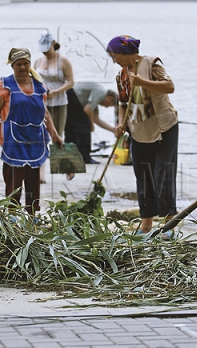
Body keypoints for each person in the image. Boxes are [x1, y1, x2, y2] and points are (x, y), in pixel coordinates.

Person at [109, 35, 179, 235]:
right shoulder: (121, 76)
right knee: (143, 178)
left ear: (125, 53)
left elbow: (169, 86)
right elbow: (123, 104)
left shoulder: (151, 63)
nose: (114, 60)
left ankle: (168, 226)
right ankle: (146, 225)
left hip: (163, 129)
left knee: (162, 176)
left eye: (115, 56)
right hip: (138, 132)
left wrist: (143, 82)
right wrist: (121, 124)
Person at [0, 48, 63, 215]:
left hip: (36, 141)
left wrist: (55, 135)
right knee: (13, 184)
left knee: (33, 184)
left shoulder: (40, 87)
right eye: (18, 64)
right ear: (12, 66)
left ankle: (32, 217)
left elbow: (45, 113)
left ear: (29, 64)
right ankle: (12, 217)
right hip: (13, 142)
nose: (22, 67)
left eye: (25, 64)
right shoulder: (5, 85)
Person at [33, 31, 74, 182]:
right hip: (41, 102)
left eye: (46, 47)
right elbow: (33, 79)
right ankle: (40, 173)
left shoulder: (63, 60)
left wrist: (56, 92)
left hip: (58, 101)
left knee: (57, 135)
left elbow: (71, 82)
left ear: (52, 44)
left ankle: (67, 167)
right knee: (40, 137)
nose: (44, 50)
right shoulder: (38, 61)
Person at [64, 82, 117, 164]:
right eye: (110, 105)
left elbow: (96, 119)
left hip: (69, 95)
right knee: (84, 127)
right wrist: (91, 125)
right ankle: (85, 157)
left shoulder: (95, 98)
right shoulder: (101, 92)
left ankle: (69, 156)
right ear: (110, 98)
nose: (106, 107)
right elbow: (87, 109)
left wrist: (113, 130)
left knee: (71, 128)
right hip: (72, 94)